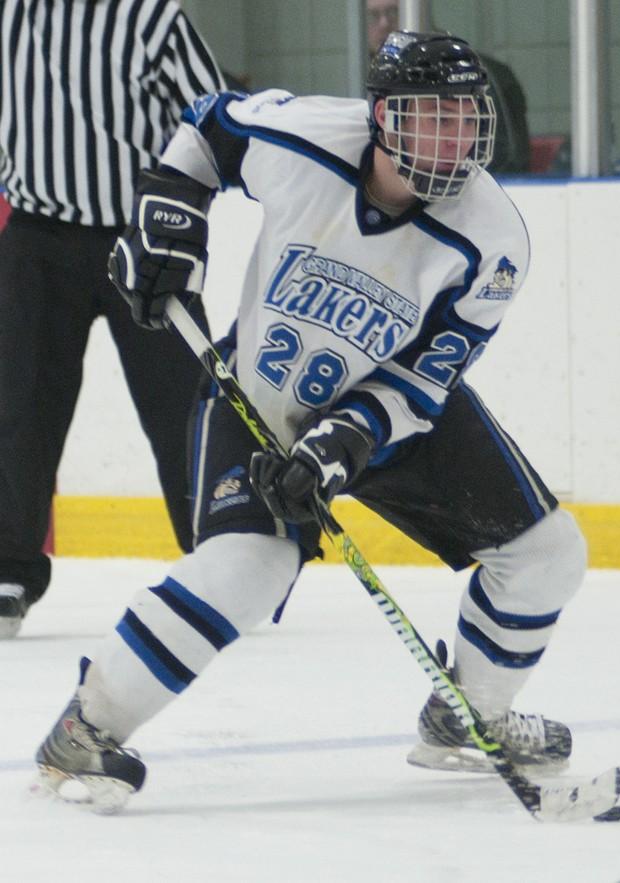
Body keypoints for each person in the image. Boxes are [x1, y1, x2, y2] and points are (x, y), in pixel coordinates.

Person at [34, 31, 585, 812]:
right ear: (384, 117)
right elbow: (204, 127)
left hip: (390, 410)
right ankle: (86, 729)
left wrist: (348, 439)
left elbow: (425, 378)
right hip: (263, 395)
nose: (454, 138)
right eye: (433, 117)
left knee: (548, 552)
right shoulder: (305, 137)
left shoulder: (492, 240)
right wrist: (170, 217)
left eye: (466, 120)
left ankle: (469, 716)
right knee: (249, 570)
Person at [0, 0, 226, 638]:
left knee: (187, 404)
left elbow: (213, 113)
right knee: (19, 406)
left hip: (140, 238)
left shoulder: (148, 16)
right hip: (36, 238)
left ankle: (221, 551)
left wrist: (176, 205)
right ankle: (9, 568)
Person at [366, 1, 530, 172]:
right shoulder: (365, 79)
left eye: (394, 12)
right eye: (373, 16)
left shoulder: (481, 76)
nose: (384, 23)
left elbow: (510, 159)